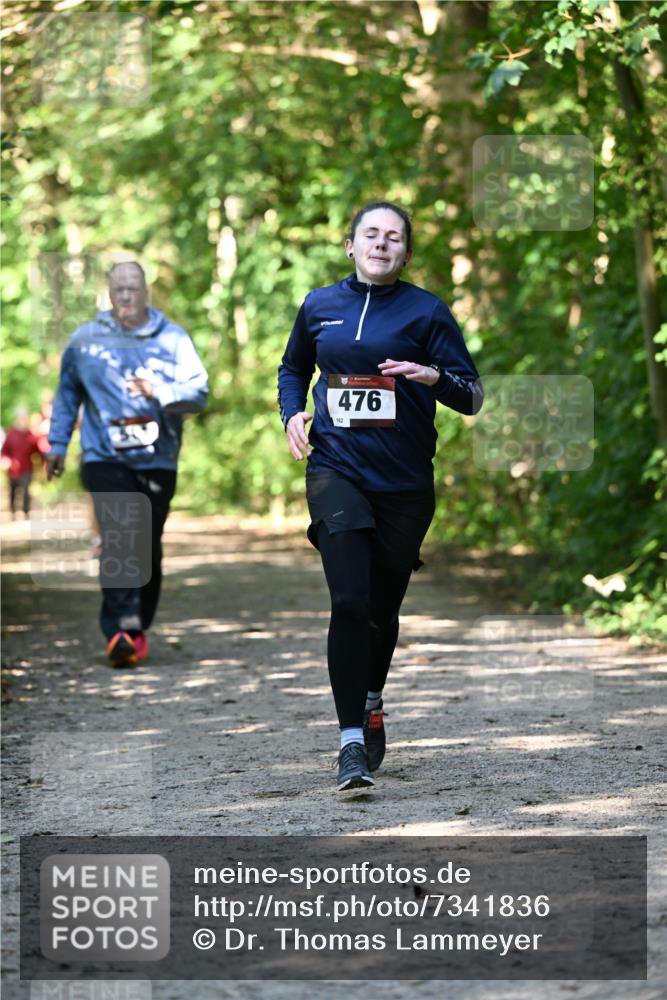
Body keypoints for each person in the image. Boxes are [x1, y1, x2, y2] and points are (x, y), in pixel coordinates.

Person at [278, 202, 483, 791]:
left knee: (381, 608)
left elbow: (471, 396)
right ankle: (349, 744)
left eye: (394, 237)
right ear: (351, 245)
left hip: (405, 485)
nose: (381, 243)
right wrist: (293, 412)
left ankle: (371, 699)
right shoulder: (320, 306)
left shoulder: (427, 312)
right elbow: (293, 369)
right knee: (348, 599)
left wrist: (433, 377)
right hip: (336, 470)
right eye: (371, 234)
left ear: (406, 253)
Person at [46, 261, 208, 667]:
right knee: (120, 536)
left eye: (133, 288)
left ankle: (136, 628)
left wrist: (161, 391)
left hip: (158, 459)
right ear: (108, 292)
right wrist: (58, 444)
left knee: (147, 545)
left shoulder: (172, 340)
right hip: (104, 456)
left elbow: (199, 393)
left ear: (145, 291)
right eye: (118, 288)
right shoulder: (85, 342)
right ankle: (119, 628)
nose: (126, 296)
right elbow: (67, 395)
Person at [1, 407, 44, 519]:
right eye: (21, 418)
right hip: (13, 468)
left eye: (24, 418)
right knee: (13, 491)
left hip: (27, 468)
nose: (22, 420)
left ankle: (25, 512)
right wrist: (5, 460)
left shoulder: (30, 434)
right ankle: (13, 512)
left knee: (25, 490)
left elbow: (38, 451)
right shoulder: (11, 433)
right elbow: (5, 450)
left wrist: (43, 463)